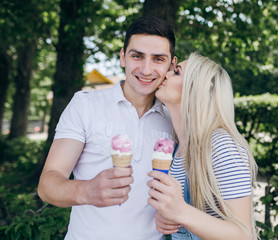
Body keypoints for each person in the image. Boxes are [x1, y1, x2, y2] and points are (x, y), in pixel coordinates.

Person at [37, 16, 177, 240]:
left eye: (158, 59)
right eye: (137, 56)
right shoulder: (85, 105)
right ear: (123, 57)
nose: (146, 69)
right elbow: (47, 185)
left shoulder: (176, 118)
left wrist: (178, 212)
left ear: (171, 65)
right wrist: (86, 190)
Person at [147, 52, 258, 239]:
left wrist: (181, 212)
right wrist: (169, 218)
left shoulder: (221, 145)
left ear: (195, 89)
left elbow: (244, 235)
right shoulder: (176, 150)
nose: (166, 73)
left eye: (176, 72)